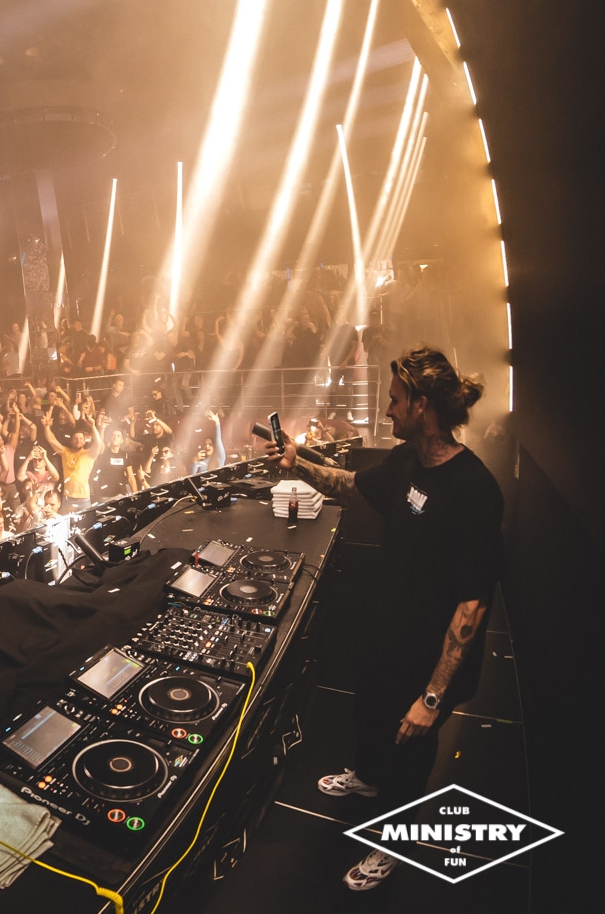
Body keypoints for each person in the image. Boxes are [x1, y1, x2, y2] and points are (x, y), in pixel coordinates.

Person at [270, 346, 499, 892]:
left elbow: (472, 606)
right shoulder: (406, 462)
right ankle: (366, 778)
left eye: (395, 399)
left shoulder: (475, 490)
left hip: (429, 662)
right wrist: (298, 463)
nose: (387, 408)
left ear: (422, 405)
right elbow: (351, 484)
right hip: (387, 638)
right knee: (372, 718)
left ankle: (395, 841)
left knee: (410, 754)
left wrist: (432, 698)